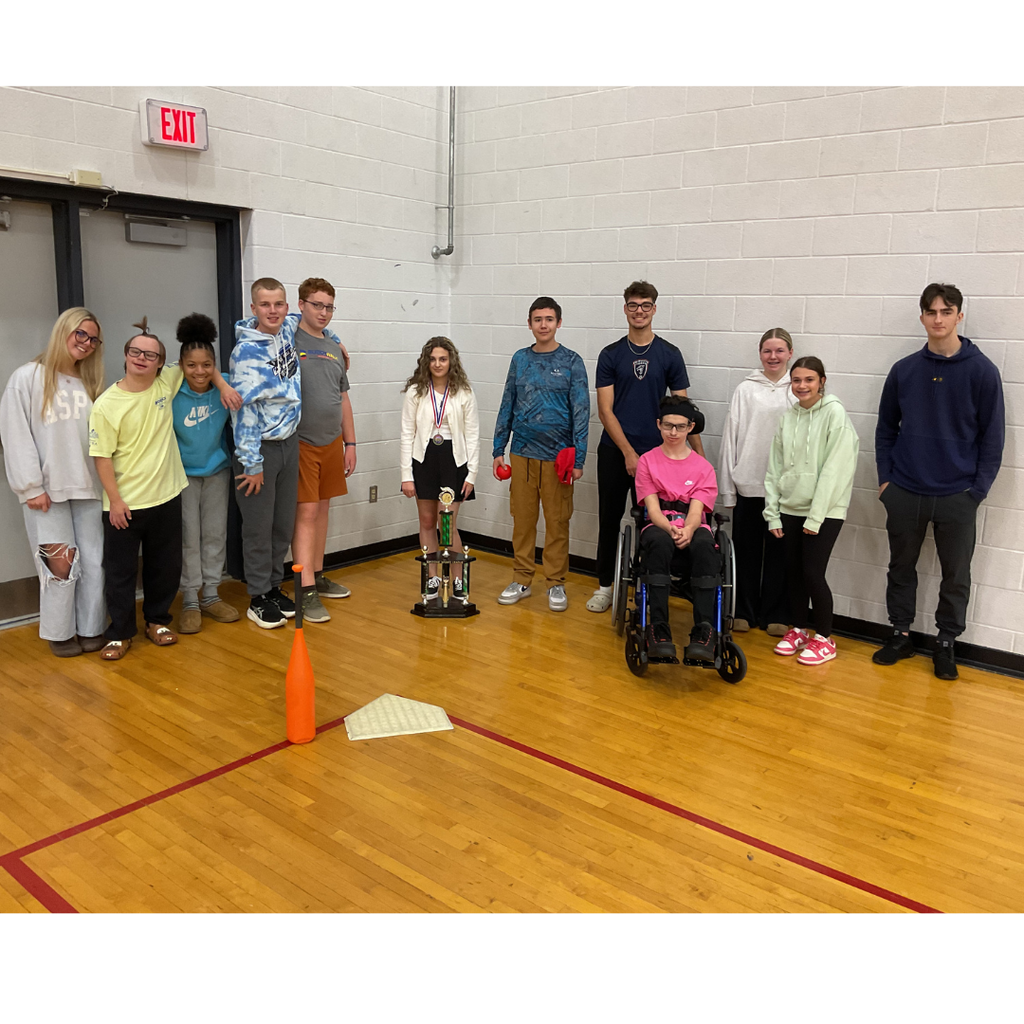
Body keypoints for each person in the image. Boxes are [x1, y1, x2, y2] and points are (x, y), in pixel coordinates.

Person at [873, 282, 1005, 681]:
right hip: (905, 490)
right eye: (931, 312)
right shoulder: (904, 370)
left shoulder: (982, 371)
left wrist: (976, 492)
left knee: (956, 575)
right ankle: (900, 634)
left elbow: (993, 438)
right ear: (922, 317)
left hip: (957, 495)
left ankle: (946, 642)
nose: (938, 319)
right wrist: (886, 483)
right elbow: (885, 430)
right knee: (901, 568)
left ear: (959, 316)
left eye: (946, 312)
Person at [89, 318, 240, 660]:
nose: (142, 358)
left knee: (164, 565)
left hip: (168, 495)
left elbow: (201, 363)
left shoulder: (165, 383)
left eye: (151, 354)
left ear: (160, 363)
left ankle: (158, 620)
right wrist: (114, 499)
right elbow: (101, 456)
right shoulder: (107, 404)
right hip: (125, 502)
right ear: (125, 356)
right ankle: (120, 633)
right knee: (121, 571)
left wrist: (221, 382)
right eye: (135, 352)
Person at [0, 308, 107, 657]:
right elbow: (15, 434)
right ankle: (60, 633)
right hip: (47, 492)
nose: (87, 343)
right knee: (59, 565)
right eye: (81, 334)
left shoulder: (90, 385)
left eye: (93, 339)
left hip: (89, 489)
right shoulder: (28, 377)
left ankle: (91, 628)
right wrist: (30, 486)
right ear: (64, 331)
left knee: (93, 561)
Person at [588, 280, 699, 614]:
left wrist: (699, 457)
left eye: (645, 305)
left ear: (654, 309)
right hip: (615, 452)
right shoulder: (610, 354)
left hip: (657, 458)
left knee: (651, 525)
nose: (639, 311)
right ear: (625, 309)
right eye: (633, 305)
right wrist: (628, 454)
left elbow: (683, 409)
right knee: (608, 520)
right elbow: (605, 410)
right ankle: (605, 587)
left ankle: (645, 589)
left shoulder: (669, 354)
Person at [492, 297, 589, 612]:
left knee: (557, 521)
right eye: (537, 319)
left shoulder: (572, 361)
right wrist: (498, 448)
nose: (543, 325)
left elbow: (581, 412)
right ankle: (521, 578)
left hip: (558, 458)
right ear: (530, 323)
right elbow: (507, 402)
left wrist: (580, 457)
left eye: (549, 319)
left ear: (559, 323)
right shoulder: (520, 360)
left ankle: (556, 583)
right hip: (521, 453)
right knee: (523, 520)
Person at [764, 357, 859, 666]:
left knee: (812, 573)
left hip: (825, 511)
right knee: (792, 572)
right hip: (790, 507)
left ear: (822, 381)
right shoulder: (787, 417)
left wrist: (816, 516)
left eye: (809, 380)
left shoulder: (835, 414)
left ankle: (824, 638)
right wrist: (773, 512)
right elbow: (774, 467)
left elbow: (835, 470)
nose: (802, 386)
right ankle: (799, 629)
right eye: (797, 380)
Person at [230, 277, 303, 629]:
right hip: (259, 450)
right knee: (258, 528)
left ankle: (274, 586)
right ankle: (258, 595)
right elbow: (242, 412)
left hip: (290, 443)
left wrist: (337, 341)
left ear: (286, 307)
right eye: (265, 305)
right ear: (253, 308)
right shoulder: (246, 353)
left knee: (282, 525)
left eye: (278, 304)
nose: (272, 311)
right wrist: (251, 462)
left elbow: (315, 323)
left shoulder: (287, 329)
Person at [718, 328, 796, 636]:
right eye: (767, 351)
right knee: (746, 552)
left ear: (790, 353)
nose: (773, 357)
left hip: (786, 489)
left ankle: (776, 612)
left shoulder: (799, 389)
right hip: (750, 482)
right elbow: (730, 438)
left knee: (780, 553)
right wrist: (728, 488)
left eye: (779, 351)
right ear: (760, 354)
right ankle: (743, 611)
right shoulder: (745, 390)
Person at [290, 277, 356, 625]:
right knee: (307, 514)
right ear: (301, 304)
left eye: (329, 307)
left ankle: (317, 572)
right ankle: (305, 589)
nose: (324, 312)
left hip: (332, 443)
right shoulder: (288, 339)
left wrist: (351, 442)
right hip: (301, 443)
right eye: (317, 305)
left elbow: (343, 398)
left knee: (324, 510)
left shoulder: (332, 346)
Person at [634, 396, 721, 662]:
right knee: (659, 543)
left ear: (690, 427)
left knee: (706, 546)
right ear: (658, 425)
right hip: (659, 523)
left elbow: (697, 512)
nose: (673, 432)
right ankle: (658, 628)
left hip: (693, 524)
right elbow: (653, 509)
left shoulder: (703, 467)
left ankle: (704, 631)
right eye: (668, 426)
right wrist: (671, 528)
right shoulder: (647, 461)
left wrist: (689, 529)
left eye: (680, 427)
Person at [171, 313, 239, 634]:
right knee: (189, 537)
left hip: (216, 471)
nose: (199, 371)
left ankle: (211, 594)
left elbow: (231, 387)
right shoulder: (171, 391)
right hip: (182, 475)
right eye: (191, 365)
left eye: (206, 364)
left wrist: (221, 381)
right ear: (181, 365)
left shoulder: (222, 387)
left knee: (214, 534)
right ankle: (190, 599)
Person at [401, 337, 479, 597]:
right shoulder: (416, 391)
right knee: (426, 521)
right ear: (426, 361)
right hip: (423, 459)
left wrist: (472, 474)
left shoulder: (463, 392)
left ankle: (457, 579)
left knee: (447, 523)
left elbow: (473, 436)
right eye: (433, 359)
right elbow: (406, 434)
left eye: (442, 359)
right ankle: (432, 577)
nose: (437, 364)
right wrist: (406, 476)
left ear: (451, 361)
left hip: (453, 460)